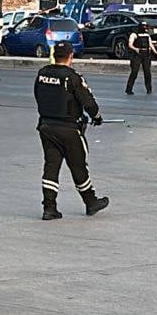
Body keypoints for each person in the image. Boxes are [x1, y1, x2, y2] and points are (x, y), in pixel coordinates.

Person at [33, 42, 109, 220]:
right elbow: (88, 102)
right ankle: (90, 201)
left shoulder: (42, 74)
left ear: (54, 55)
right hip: (69, 128)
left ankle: (49, 207)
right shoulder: (72, 77)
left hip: (46, 126)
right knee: (78, 165)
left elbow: (38, 95)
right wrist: (97, 117)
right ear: (70, 56)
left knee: (51, 166)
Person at [125, 22, 155, 95]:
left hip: (146, 54)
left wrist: (156, 52)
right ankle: (129, 89)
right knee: (134, 72)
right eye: (144, 26)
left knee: (147, 72)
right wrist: (135, 49)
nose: (145, 28)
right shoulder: (134, 34)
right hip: (137, 55)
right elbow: (130, 44)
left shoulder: (147, 35)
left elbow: (151, 45)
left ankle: (149, 89)